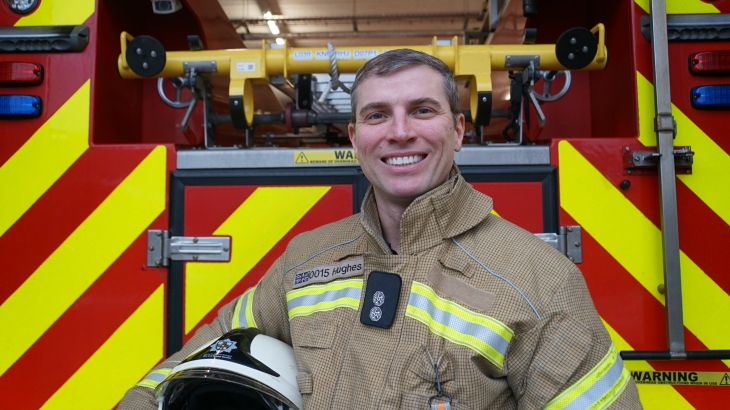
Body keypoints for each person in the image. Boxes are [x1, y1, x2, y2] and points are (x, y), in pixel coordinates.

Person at [120, 48, 641, 409]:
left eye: (421, 110)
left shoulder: (537, 281)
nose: (399, 132)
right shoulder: (307, 259)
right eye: (377, 115)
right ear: (355, 136)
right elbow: (201, 356)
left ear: (458, 130)